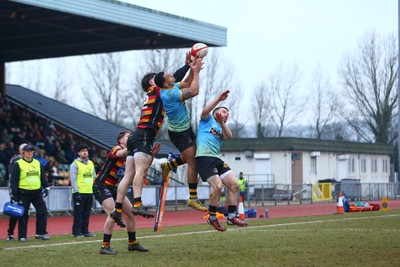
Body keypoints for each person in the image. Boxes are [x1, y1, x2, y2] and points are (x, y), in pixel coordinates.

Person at [110, 53, 197, 225]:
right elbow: (177, 79)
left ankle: (118, 210)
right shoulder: (157, 90)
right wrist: (187, 65)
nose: (165, 77)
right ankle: (137, 204)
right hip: (144, 135)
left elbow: (180, 82)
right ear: (153, 83)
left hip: (136, 134)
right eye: (157, 78)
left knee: (128, 175)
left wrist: (189, 65)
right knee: (140, 172)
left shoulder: (154, 93)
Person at [154, 57, 207, 212]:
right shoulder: (169, 94)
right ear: (165, 83)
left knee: (192, 156)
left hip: (185, 129)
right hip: (179, 133)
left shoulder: (171, 88)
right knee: (193, 163)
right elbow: (194, 91)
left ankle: (168, 166)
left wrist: (192, 68)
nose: (173, 76)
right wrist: (196, 72)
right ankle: (193, 199)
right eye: (170, 76)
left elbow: (187, 82)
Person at [94, 130, 158, 254]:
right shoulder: (116, 149)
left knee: (131, 213)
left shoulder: (132, 155)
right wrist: (135, 146)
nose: (131, 138)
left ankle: (132, 243)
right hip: (101, 185)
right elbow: (120, 153)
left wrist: (152, 155)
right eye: (129, 137)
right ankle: (104, 246)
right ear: (121, 141)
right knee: (114, 213)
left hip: (114, 187)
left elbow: (143, 168)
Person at [195, 90, 248, 232]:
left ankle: (231, 216)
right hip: (204, 158)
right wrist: (219, 99)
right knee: (218, 186)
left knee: (234, 185)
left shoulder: (221, 126)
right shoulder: (207, 120)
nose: (226, 115)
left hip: (217, 159)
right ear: (216, 113)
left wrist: (222, 123)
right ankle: (212, 217)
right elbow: (206, 110)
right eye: (224, 112)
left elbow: (229, 136)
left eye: (228, 114)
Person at [10, 144, 50, 241]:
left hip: (37, 192)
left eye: (31, 151)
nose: (30, 153)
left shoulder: (37, 163)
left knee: (42, 211)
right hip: (23, 193)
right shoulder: (18, 163)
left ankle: (40, 233)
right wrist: (14, 195)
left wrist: (46, 187)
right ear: (23, 152)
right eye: (28, 151)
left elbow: (42, 176)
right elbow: (14, 180)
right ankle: (22, 236)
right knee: (23, 215)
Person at [70, 143, 96, 238]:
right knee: (78, 214)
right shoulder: (74, 164)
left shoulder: (91, 163)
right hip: (79, 192)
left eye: (86, 151)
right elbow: (73, 179)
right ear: (78, 153)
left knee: (87, 213)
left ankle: (85, 231)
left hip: (89, 192)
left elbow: (94, 177)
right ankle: (76, 232)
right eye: (82, 151)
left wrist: (94, 189)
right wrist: (76, 191)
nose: (85, 153)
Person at [6, 143, 26, 241]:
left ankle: (23, 235)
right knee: (14, 213)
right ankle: (10, 233)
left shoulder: (30, 161)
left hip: (26, 191)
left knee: (25, 213)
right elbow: (11, 178)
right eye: (24, 149)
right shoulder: (14, 160)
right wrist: (12, 193)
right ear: (20, 151)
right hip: (16, 191)